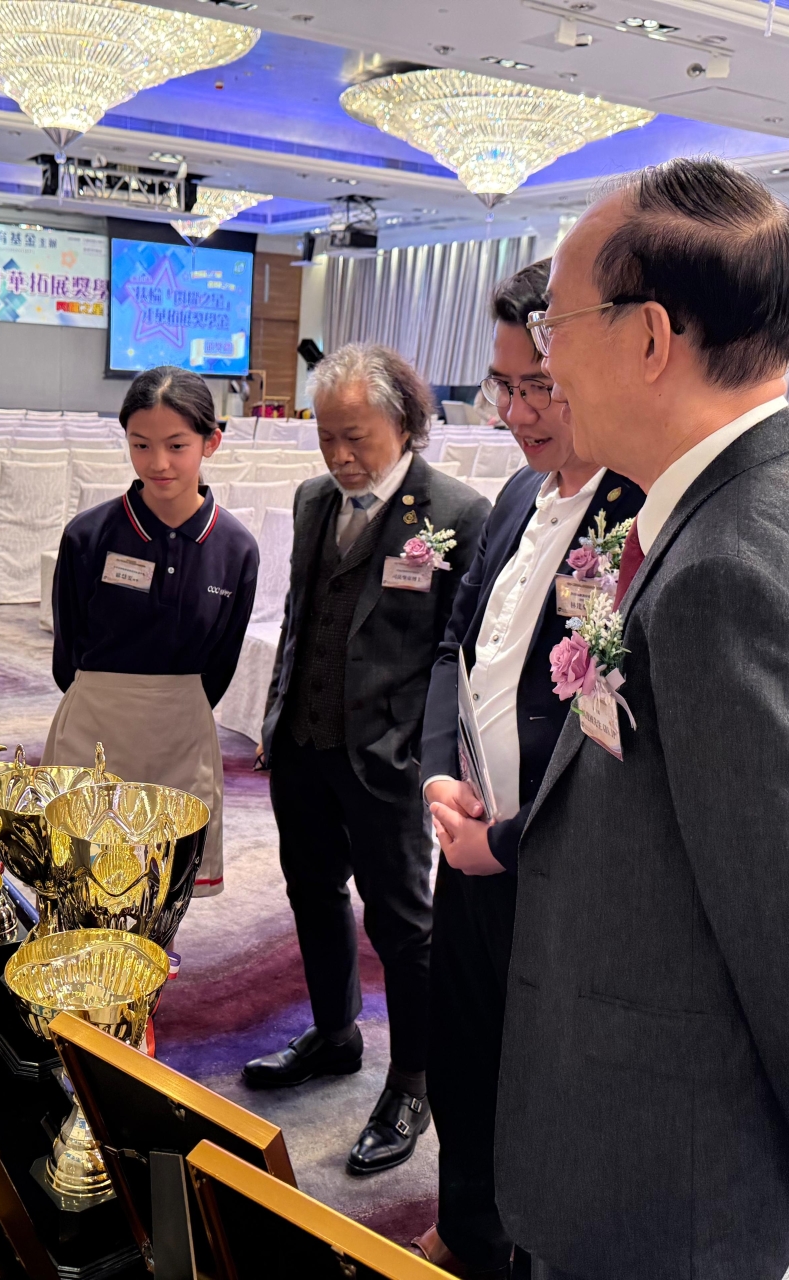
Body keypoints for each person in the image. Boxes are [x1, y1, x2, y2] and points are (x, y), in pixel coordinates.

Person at [503, 157, 789, 1280]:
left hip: (666, 1153)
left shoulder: (728, 567)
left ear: (649, 337)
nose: (547, 365)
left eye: (556, 326)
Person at [414, 260, 644, 1278]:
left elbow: (622, 725)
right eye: (503, 386)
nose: (516, 412)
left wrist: (506, 840)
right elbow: (453, 649)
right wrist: (437, 776)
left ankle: (525, 1243)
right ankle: (466, 1228)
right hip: (464, 831)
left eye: (540, 385)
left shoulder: (638, 512)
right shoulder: (513, 494)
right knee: (459, 1048)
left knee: (542, 1075)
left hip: (552, 859)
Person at [246, 342, 489, 1176]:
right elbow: (300, 616)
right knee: (311, 892)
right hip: (305, 744)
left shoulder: (456, 512)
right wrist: (277, 717)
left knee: (402, 922)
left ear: (407, 425)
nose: (340, 455)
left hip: (389, 761)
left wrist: (427, 758)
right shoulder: (313, 500)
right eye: (326, 437)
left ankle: (412, 1082)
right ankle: (335, 1033)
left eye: (357, 437)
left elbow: (458, 654)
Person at [46, 366, 257, 897]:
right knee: (82, 883)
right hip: (95, 726)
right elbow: (66, 650)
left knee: (162, 888)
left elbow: (223, 659)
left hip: (182, 733)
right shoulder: (87, 536)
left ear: (211, 443)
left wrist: (177, 701)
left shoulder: (235, 548)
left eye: (176, 445)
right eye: (140, 445)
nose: (157, 463)